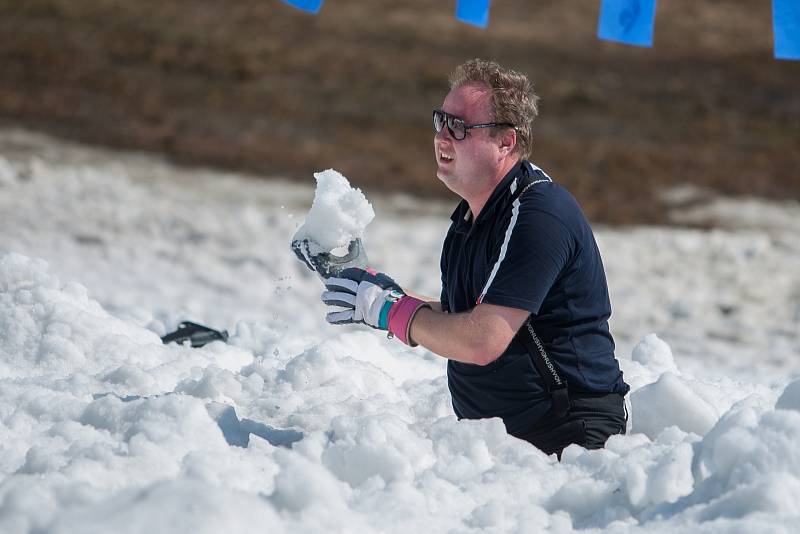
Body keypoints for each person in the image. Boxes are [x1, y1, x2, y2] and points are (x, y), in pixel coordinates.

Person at [318, 58, 629, 458]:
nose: (442, 137)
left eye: (460, 127)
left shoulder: (539, 214)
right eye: (440, 121)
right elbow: (460, 315)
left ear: (506, 142)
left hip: (572, 440)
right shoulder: (470, 217)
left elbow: (482, 340)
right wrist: (384, 292)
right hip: (503, 446)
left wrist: (389, 313)